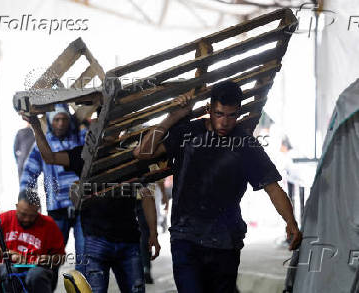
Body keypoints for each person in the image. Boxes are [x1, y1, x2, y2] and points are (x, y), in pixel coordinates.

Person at [133, 81, 303, 292]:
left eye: (231, 115)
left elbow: (272, 187)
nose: (224, 122)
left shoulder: (245, 144)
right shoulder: (188, 133)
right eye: (219, 114)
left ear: (238, 113)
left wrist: (290, 221)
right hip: (186, 238)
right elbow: (142, 152)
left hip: (225, 241)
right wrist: (173, 117)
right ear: (209, 109)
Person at [20, 112, 161, 293]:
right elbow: (50, 157)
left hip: (128, 241)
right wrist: (37, 128)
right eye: (102, 126)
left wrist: (154, 234)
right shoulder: (84, 156)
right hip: (97, 240)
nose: (105, 131)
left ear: (118, 130)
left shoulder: (131, 156)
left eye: (111, 126)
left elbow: (147, 195)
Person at [19, 103, 86, 273]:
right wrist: (26, 198)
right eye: (56, 119)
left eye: (64, 119)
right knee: (50, 259)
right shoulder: (43, 144)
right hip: (56, 208)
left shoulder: (82, 138)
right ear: (50, 121)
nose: (61, 123)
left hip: (82, 208)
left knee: (84, 257)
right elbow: (29, 172)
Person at [0, 189, 65, 293]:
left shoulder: (49, 225)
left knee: (36, 276)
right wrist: (7, 253)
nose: (27, 219)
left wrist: (49, 259)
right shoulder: (3, 219)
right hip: (8, 267)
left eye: (32, 215)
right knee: (9, 273)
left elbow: (61, 257)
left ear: (38, 209)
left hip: (37, 269)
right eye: (23, 214)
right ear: (17, 207)